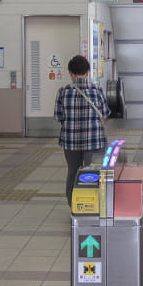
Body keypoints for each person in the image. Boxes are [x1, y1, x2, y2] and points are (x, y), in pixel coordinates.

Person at [54, 55, 110, 207]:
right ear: (88, 72)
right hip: (94, 142)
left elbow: (58, 117)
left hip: (71, 143)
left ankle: (74, 206)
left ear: (70, 73)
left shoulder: (63, 92)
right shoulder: (96, 89)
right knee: (93, 173)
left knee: (73, 173)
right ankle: (92, 206)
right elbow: (105, 113)